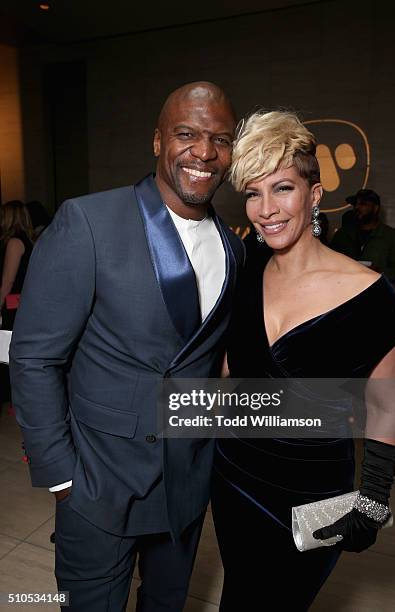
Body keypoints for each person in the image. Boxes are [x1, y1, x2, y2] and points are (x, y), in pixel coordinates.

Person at [9, 81, 244, 612]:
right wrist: (62, 476)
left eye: (220, 139)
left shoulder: (234, 247)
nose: (205, 152)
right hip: (98, 484)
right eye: (187, 134)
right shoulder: (88, 221)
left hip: (185, 487)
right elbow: (35, 357)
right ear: (158, 141)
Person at [211, 111, 395, 611]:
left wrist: (374, 498)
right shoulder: (245, 267)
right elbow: (233, 371)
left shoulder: (371, 297)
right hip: (234, 479)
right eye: (253, 193)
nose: (265, 209)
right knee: (238, 595)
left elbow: (385, 408)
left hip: (314, 499)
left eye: (282, 189)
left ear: (314, 194)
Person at [330, 188, 395, 282]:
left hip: (377, 293)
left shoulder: (391, 237)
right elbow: (329, 263)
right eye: (355, 204)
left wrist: (378, 273)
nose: (357, 207)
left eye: (363, 204)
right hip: (346, 292)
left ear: (375, 208)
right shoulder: (342, 234)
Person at [0, 201, 34, 406]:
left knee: (6, 356)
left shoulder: (14, 243)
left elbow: (8, 281)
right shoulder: (30, 241)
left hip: (13, 307)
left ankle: (12, 400)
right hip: (23, 306)